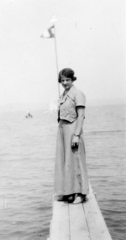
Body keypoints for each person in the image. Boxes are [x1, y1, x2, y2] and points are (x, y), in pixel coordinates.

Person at [54, 68, 89, 204]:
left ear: (73, 79)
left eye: (67, 80)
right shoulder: (63, 94)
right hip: (62, 131)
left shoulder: (78, 93)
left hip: (73, 130)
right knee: (65, 162)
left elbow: (81, 116)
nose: (65, 83)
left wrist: (76, 135)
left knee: (76, 161)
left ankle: (81, 194)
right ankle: (68, 191)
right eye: (62, 80)